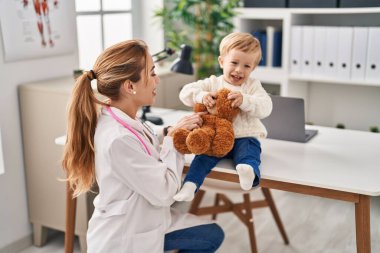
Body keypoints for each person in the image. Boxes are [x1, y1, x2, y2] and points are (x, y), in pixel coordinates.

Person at [62, 39, 224, 252]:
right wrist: (173, 141)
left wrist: (166, 131)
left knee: (211, 234)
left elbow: (139, 136)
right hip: (125, 239)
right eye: (152, 73)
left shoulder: (114, 116)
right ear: (130, 86)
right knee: (210, 236)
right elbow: (165, 192)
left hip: (145, 221)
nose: (157, 81)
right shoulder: (117, 139)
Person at [174, 32, 273, 201]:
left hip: (244, 137)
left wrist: (245, 101)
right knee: (201, 159)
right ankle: (190, 186)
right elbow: (185, 93)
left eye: (247, 66)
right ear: (222, 61)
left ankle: (247, 170)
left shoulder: (252, 86)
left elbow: (266, 107)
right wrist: (201, 96)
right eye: (234, 63)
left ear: (253, 68)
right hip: (215, 139)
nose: (239, 70)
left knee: (250, 151)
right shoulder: (212, 82)